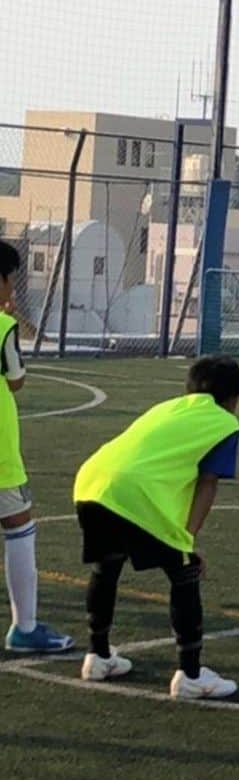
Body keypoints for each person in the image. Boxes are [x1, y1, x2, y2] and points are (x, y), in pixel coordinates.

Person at [73, 354, 239, 699]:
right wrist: (187, 541)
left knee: (106, 567)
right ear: (233, 398)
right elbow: (207, 483)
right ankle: (190, 675)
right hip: (136, 494)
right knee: (184, 574)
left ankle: (98, 655)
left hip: (91, 482)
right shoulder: (224, 423)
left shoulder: (166, 408)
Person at [0, 239, 74, 655]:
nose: (13, 290)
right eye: (11, 281)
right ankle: (24, 627)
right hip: (1, 452)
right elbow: (16, 380)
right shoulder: (3, 327)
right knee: (19, 527)